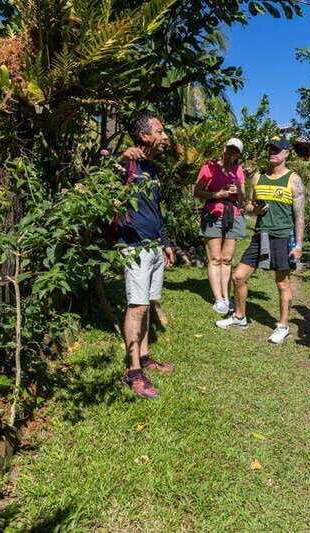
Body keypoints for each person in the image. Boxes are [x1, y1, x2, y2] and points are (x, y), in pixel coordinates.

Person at [215, 135, 306, 344]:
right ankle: (240, 317)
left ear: (286, 153)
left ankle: (282, 326)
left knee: (282, 283)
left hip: (282, 236)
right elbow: (247, 206)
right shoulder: (258, 177)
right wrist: (254, 209)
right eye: (270, 149)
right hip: (260, 235)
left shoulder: (293, 179)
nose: (272, 153)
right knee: (238, 277)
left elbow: (300, 216)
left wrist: (299, 245)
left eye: (277, 149)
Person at [118, 110, 176, 399]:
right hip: (134, 245)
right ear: (144, 136)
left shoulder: (152, 169)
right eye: (160, 131)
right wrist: (118, 159)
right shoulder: (126, 164)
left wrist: (165, 242)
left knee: (148, 304)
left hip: (153, 245)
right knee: (136, 307)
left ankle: (145, 355)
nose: (165, 137)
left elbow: (156, 210)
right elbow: (98, 181)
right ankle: (133, 371)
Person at [194, 138, 247, 315]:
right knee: (215, 258)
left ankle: (227, 296)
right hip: (212, 213)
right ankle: (218, 299)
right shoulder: (209, 166)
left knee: (227, 258)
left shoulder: (238, 170)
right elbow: (197, 192)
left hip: (232, 214)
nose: (232, 153)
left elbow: (242, 198)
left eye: (236, 151)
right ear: (224, 148)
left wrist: (236, 191)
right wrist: (218, 194)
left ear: (239, 154)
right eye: (230, 149)